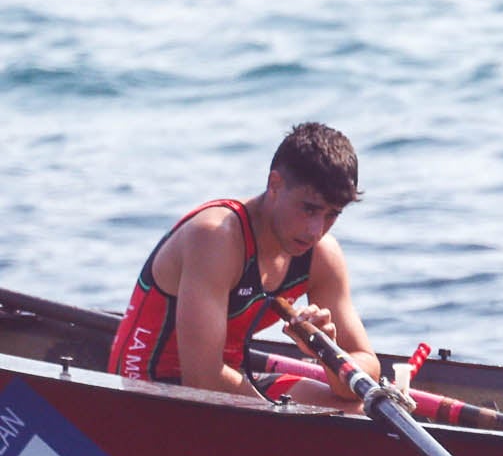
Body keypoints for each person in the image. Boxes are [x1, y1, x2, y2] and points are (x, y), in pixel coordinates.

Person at [108, 121, 376, 407]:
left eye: (331, 214)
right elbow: (202, 382)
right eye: (308, 209)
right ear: (275, 184)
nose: (315, 230)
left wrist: (328, 352)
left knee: (353, 409)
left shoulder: (322, 255)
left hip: (227, 384)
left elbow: (366, 371)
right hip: (145, 390)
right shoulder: (215, 238)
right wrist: (284, 414)